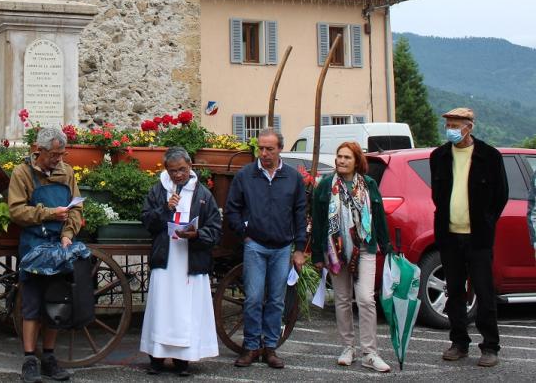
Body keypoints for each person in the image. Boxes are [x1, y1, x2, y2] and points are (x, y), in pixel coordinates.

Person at [430, 108, 507, 367]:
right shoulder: (439, 156)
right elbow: (437, 196)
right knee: (454, 291)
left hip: (478, 238)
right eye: (448, 125)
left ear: (469, 127)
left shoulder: (490, 156)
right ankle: (459, 342)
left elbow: (501, 195)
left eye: (455, 124)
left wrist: (485, 221)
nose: (450, 129)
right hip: (449, 236)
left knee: (484, 292)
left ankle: (490, 346)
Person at [224, 128, 306, 369]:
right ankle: (251, 347)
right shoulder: (245, 175)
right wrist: (245, 233)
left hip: (282, 248)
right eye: (261, 148)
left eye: (270, 149)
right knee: (253, 298)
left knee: (276, 301)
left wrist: (299, 248)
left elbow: (300, 214)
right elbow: (232, 209)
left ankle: (270, 348)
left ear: (280, 149)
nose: (264, 153)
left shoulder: (293, 178)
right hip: (255, 247)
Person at [7, 126, 82, 383]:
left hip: (59, 246)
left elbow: (76, 207)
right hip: (34, 245)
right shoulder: (22, 173)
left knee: (55, 302)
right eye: (54, 155)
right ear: (39, 151)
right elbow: (16, 211)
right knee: (31, 303)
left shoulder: (67, 172)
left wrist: (68, 234)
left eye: (62, 154)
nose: (58, 159)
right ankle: (29, 360)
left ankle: (49, 358)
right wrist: (49, 213)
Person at [311, 142, 393, 372]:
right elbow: (317, 220)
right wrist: (317, 254)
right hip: (335, 251)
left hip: (364, 247)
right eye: (339, 156)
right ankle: (348, 347)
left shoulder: (369, 185)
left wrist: (387, 247)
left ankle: (370, 352)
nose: (342, 161)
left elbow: (378, 217)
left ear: (357, 161)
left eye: (347, 157)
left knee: (366, 299)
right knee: (342, 300)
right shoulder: (325, 186)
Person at [139, 147, 221, 376]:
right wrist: (165, 209)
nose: (178, 175)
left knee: (187, 311)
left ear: (190, 167)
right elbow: (147, 222)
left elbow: (215, 229)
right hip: (166, 259)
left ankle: (182, 360)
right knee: (162, 309)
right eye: (173, 171)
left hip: (190, 260)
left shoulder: (203, 195)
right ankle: (156, 357)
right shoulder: (157, 191)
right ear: (166, 170)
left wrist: (197, 235)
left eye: (182, 170)